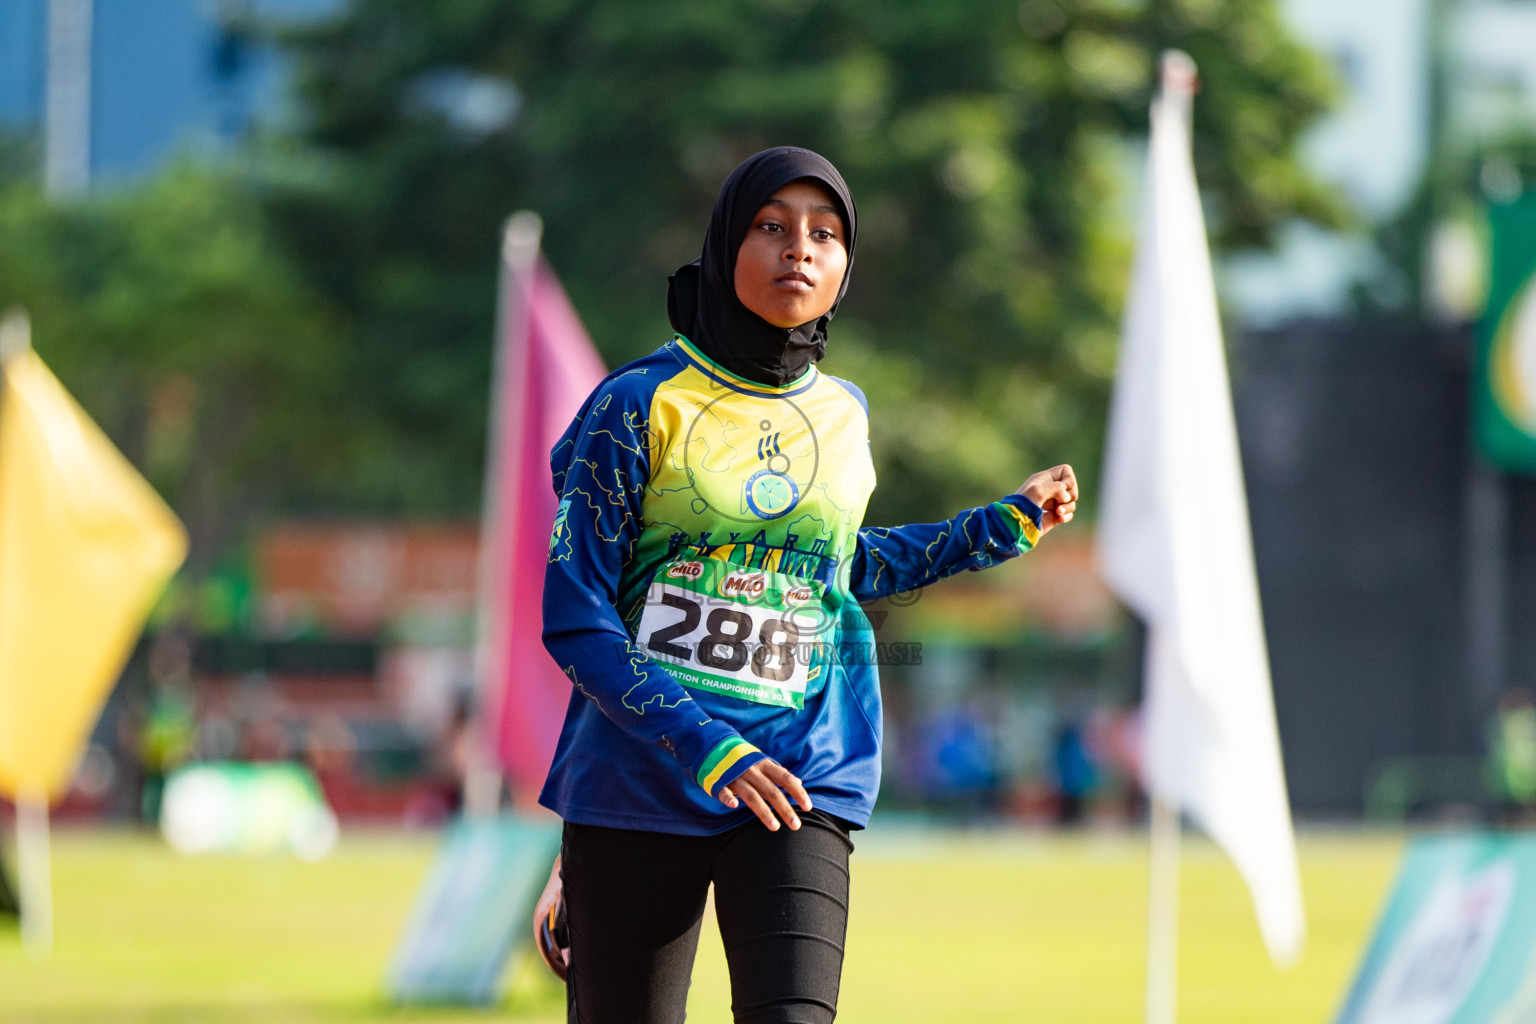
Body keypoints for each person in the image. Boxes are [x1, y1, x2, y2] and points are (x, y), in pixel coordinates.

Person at [535, 146, 1078, 1023]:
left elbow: (836, 569)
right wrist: (710, 745)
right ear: (723, 247)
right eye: (773, 227)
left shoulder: (845, 411)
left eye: (825, 235)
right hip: (638, 781)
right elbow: (577, 618)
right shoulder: (637, 404)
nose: (801, 249)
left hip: (799, 778)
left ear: (844, 271)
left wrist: (997, 526)